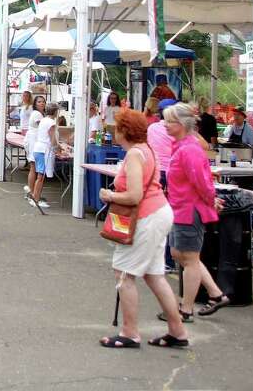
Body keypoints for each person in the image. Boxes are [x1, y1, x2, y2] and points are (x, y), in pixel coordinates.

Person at [98, 109, 188, 349]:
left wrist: (110, 195)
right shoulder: (147, 151)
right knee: (154, 275)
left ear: (124, 131)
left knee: (124, 273)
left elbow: (135, 195)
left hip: (146, 218)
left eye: (117, 127)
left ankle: (129, 332)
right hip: (159, 213)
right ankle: (177, 330)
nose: (114, 131)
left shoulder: (135, 155)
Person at [162, 103, 228, 322]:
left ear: (181, 124)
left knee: (188, 258)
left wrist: (211, 200)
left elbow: (202, 181)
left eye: (169, 121)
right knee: (180, 254)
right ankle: (215, 293)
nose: (165, 125)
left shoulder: (189, 149)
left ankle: (186, 308)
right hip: (181, 207)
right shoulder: (183, 146)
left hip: (189, 209)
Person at [29, 101, 61, 209]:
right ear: (55, 111)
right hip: (44, 150)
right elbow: (53, 140)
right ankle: (35, 198)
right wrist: (59, 148)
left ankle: (35, 197)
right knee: (41, 176)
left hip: (38, 148)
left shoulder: (43, 120)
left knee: (40, 174)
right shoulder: (51, 123)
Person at [23, 95, 46, 197]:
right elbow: (43, 127)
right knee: (33, 167)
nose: (42, 103)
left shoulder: (39, 114)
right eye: (39, 102)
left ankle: (32, 192)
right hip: (33, 141)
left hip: (34, 140)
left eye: (43, 102)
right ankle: (32, 192)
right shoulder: (37, 114)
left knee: (34, 168)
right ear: (35, 104)